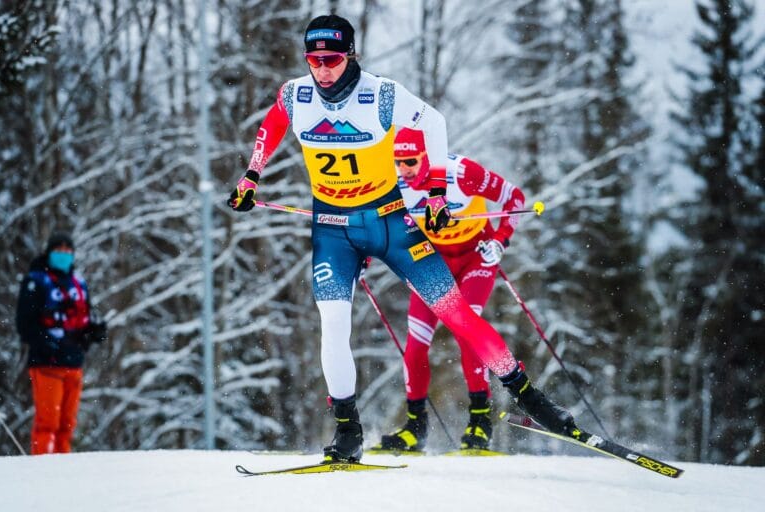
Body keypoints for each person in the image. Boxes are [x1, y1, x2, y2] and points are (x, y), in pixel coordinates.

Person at [227, 14, 576, 463]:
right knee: (332, 324)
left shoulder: (381, 94)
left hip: (390, 222)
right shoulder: (297, 94)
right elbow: (272, 123)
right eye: (314, 60)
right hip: (334, 229)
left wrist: (433, 192)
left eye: (332, 59)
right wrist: (253, 174)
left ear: (350, 54)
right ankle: (348, 430)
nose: (323, 69)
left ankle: (533, 401)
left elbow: (434, 121)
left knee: (456, 314)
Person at [373, 128, 526, 452]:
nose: (404, 170)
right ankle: (415, 427)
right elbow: (377, 224)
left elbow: (515, 199)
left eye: (410, 161)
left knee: (467, 328)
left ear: (427, 157)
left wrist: (501, 240)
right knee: (416, 342)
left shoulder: (462, 173)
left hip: (475, 258)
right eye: (398, 162)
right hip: (434, 262)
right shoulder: (392, 183)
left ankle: (480, 420)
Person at [15, 232, 107, 454]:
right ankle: (43, 468)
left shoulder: (78, 283)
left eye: (68, 250)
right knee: (48, 422)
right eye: (59, 250)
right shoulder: (36, 281)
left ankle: (63, 470)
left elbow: (84, 318)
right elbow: (25, 324)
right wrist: (48, 343)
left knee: (67, 425)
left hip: (74, 362)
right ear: (49, 252)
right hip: (47, 363)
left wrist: (95, 332)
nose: (64, 254)